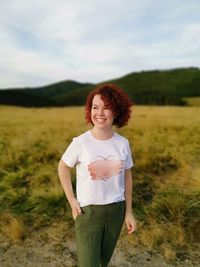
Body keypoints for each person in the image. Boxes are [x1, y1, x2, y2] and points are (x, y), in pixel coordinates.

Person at [58, 83, 137, 267]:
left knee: (103, 261)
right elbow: (62, 167)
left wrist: (129, 212)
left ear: (116, 111)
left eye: (107, 107)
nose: (100, 113)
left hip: (116, 211)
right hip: (88, 213)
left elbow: (127, 176)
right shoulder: (81, 142)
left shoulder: (122, 143)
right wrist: (72, 200)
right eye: (95, 107)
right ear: (89, 110)